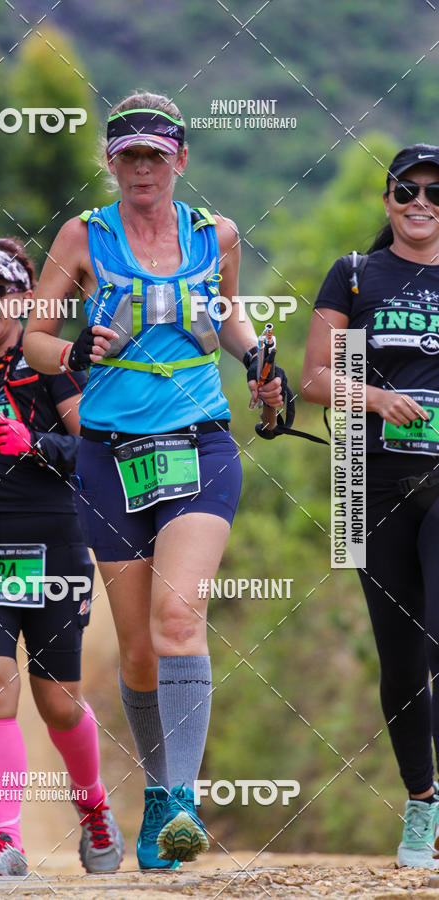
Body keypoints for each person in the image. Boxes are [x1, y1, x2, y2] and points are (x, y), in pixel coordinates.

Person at [23, 92, 287, 869]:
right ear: (111, 162)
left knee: (179, 618)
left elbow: (229, 316)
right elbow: (36, 337)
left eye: (156, 155)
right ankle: (158, 791)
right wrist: (76, 352)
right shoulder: (84, 236)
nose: (143, 168)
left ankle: (178, 802)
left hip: (199, 442)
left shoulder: (216, 234)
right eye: (129, 155)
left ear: (181, 159)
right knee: (138, 650)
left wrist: (255, 361)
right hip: (109, 453)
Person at [0, 237, 123, 876]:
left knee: (58, 701)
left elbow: (98, 452)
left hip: (53, 544)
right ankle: (6, 840)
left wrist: (38, 444)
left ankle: (94, 807)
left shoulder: (49, 365)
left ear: (22, 297)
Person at [301, 144, 439, 868]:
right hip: (372, 478)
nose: (420, 202)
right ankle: (422, 803)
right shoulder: (357, 273)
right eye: (405, 190)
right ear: (387, 199)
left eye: (434, 192)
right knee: (400, 651)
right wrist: (379, 397)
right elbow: (316, 377)